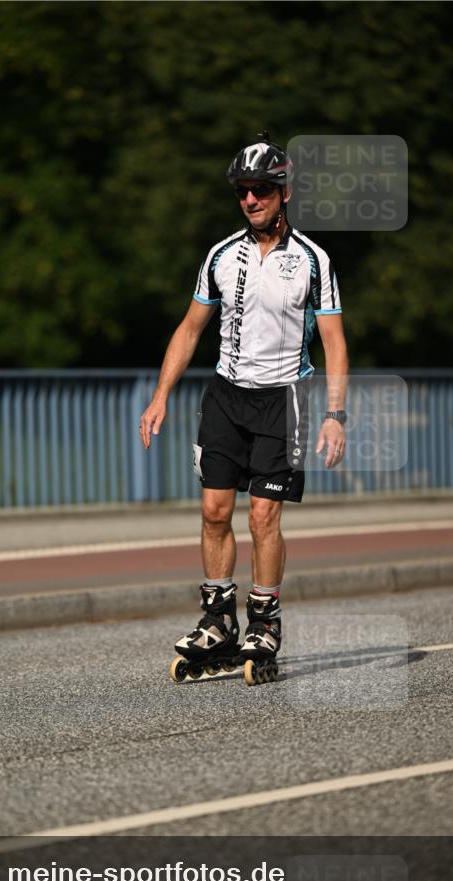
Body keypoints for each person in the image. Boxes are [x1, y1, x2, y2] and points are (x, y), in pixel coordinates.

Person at [139, 131, 349, 672]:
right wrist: (160, 395)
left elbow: (333, 341)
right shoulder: (220, 255)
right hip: (226, 397)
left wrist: (334, 414)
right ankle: (218, 618)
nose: (250, 199)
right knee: (214, 512)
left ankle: (265, 621)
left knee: (262, 517)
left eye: (260, 189)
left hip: (285, 400)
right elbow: (188, 330)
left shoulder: (313, 260)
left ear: (284, 192)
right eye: (241, 191)